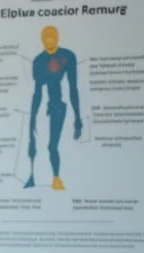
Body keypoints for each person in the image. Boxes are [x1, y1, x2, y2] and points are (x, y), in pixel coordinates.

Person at [25, 25, 82, 190]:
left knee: (52, 145)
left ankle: (56, 178)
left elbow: (73, 88)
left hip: (57, 106)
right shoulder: (39, 61)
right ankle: (35, 177)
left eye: (52, 41)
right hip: (44, 105)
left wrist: (78, 117)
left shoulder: (67, 57)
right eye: (46, 41)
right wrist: (33, 117)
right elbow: (37, 93)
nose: (49, 44)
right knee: (35, 143)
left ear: (56, 39)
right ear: (43, 41)